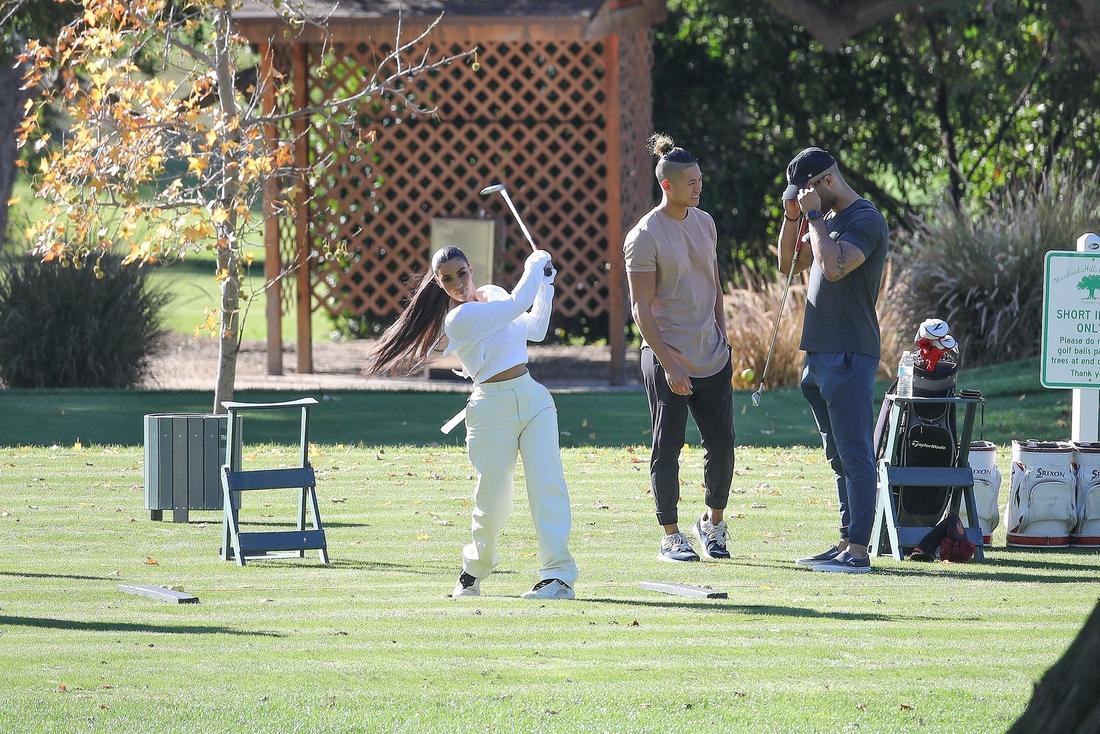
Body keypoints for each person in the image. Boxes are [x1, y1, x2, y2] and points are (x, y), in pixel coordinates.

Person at [366, 246, 578, 599]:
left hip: (533, 397)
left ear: (471, 269)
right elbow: (515, 306)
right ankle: (474, 570)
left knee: (548, 485)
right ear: (439, 283)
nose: (458, 284)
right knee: (492, 497)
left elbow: (536, 328)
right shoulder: (458, 320)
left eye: (461, 274)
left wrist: (545, 287)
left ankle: (558, 576)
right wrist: (535, 262)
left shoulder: (493, 294)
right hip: (491, 408)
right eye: (447, 279)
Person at [624, 133, 735, 563]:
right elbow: (640, 308)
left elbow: (714, 285)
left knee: (722, 445)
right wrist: (669, 364)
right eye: (691, 181)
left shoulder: (705, 223)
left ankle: (713, 523)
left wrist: (723, 334)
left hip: (712, 355)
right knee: (667, 446)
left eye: (700, 179)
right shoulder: (643, 236)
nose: (699, 186)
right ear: (667, 185)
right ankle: (670, 534)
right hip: (665, 355)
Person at [777, 147, 889, 574]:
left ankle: (858, 550)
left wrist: (814, 219)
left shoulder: (865, 219)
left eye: (806, 190)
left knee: (856, 452)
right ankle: (846, 539)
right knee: (836, 454)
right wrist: (794, 217)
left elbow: (836, 266)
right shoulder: (822, 219)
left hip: (851, 351)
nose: (804, 198)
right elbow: (788, 264)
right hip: (819, 351)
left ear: (826, 181)